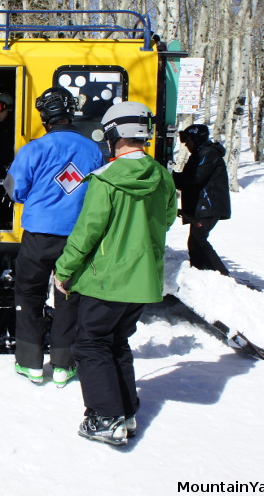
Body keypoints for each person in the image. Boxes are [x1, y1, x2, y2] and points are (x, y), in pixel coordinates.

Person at [53, 101, 177, 446]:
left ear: (113, 135)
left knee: (91, 344)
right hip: (143, 279)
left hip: (106, 279)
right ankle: (125, 412)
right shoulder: (162, 176)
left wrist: (64, 270)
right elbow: (166, 219)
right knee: (115, 341)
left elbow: (87, 231)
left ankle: (105, 418)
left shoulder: (106, 179)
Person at [3, 86, 104, 386]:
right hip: (76, 237)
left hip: (37, 235)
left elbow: (15, 190)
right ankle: (63, 364)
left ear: (45, 117)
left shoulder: (33, 149)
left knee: (30, 295)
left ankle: (30, 363)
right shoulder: (93, 150)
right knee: (68, 297)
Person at [172, 124, 231, 276]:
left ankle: (221, 274)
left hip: (208, 206)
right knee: (194, 241)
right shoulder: (201, 153)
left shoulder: (208, 154)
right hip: (202, 206)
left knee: (198, 239)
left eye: (188, 141)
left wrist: (171, 177)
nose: (186, 145)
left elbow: (195, 178)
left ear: (196, 139)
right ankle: (200, 273)